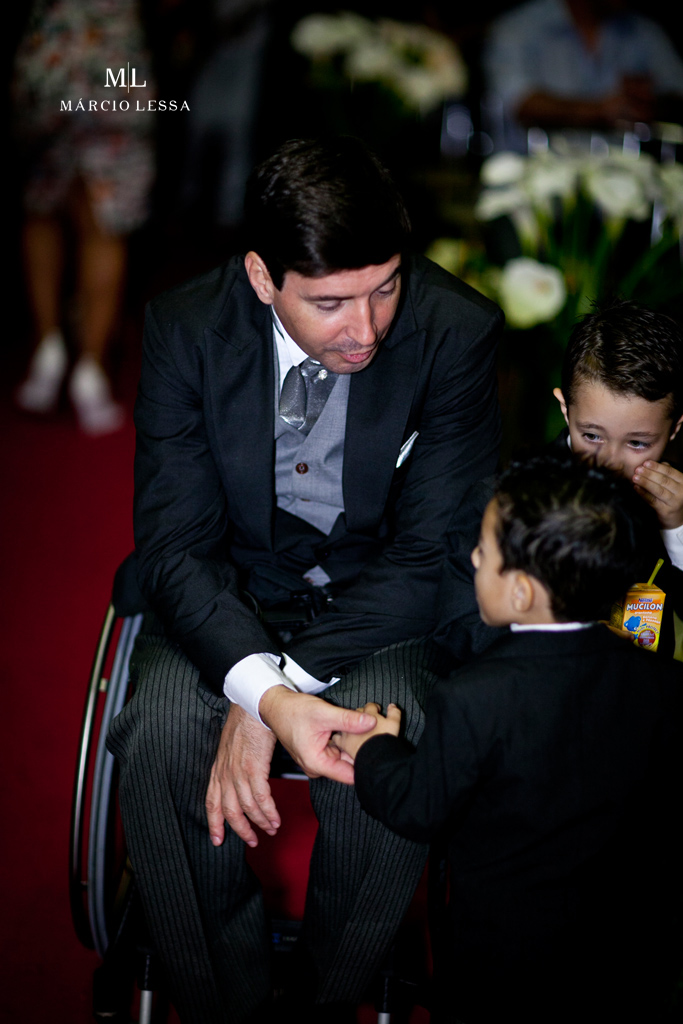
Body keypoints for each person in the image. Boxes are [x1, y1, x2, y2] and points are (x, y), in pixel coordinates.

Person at [106, 136, 503, 1022]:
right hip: (226, 589)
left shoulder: (454, 332)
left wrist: (269, 698)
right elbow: (175, 547)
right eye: (329, 303)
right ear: (260, 277)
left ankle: (326, 1004)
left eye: (385, 287)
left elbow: (433, 553)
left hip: (381, 603)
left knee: (385, 755)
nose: (365, 330)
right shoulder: (187, 329)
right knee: (162, 740)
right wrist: (263, 692)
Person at [337, 453, 683, 1023]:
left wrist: (375, 746)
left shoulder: (473, 697)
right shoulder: (664, 686)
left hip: (500, 970)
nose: (473, 556)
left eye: (486, 551)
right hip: (626, 965)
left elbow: (419, 805)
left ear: (521, 592)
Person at [437, 300, 683, 662]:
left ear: (675, 429)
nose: (610, 462)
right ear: (566, 409)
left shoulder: (673, 510)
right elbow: (458, 635)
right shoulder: (501, 503)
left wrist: (676, 531)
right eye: (592, 436)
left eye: (637, 443)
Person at [13, 0, 155, 434]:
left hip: (51, 49)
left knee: (42, 205)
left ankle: (48, 347)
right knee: (105, 225)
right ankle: (90, 369)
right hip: (113, 61)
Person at [483, 0, 683, 151]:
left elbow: (676, 91)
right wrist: (602, 110)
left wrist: (648, 105)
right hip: (530, 176)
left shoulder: (642, 30)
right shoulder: (520, 28)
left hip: (625, 174)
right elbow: (520, 103)